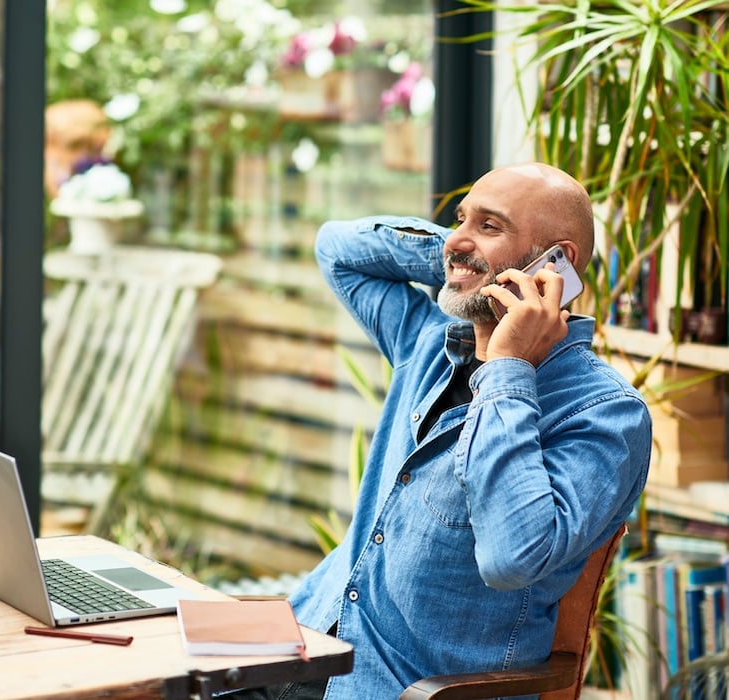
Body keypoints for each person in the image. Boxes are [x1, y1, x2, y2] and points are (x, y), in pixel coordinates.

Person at [231, 162, 651, 700]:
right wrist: (463, 260)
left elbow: (511, 558)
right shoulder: (427, 345)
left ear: (557, 264)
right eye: (460, 218)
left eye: (490, 225)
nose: (458, 237)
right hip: (295, 649)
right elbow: (336, 249)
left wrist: (507, 369)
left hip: (395, 689)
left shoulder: (606, 414)